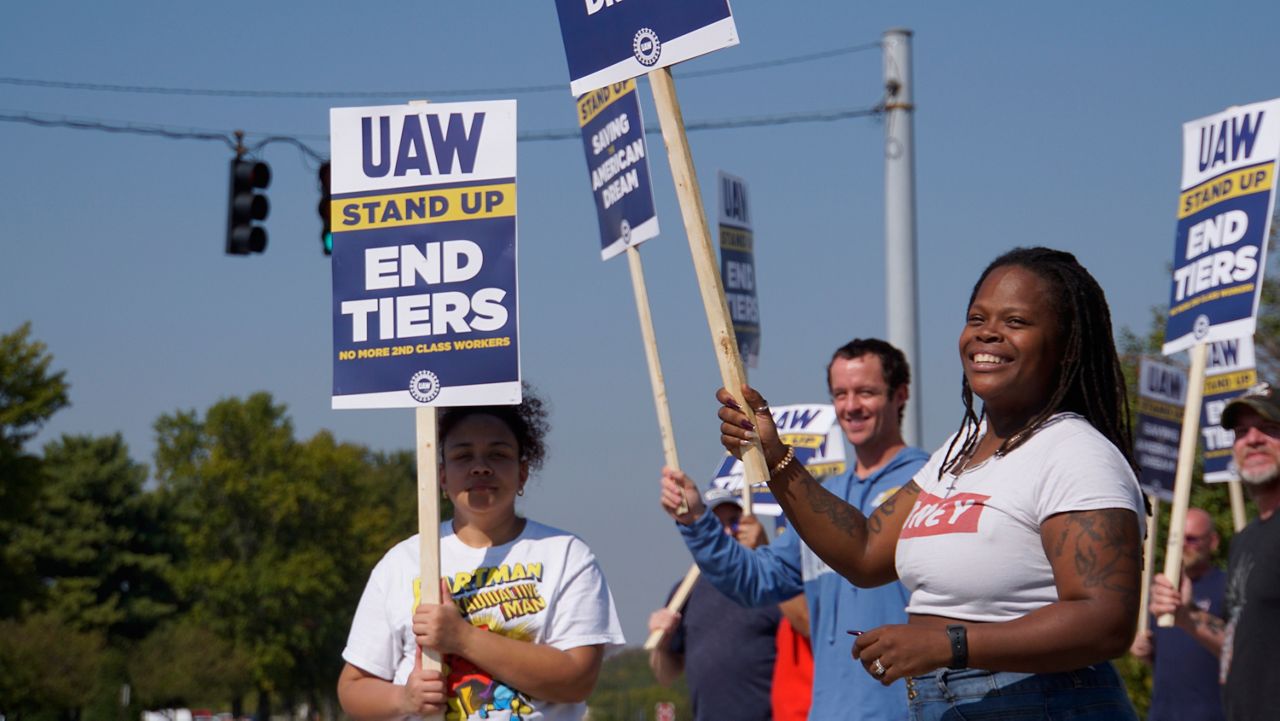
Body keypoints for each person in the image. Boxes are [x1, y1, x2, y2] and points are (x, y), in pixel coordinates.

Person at [713, 247, 1146, 720]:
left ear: (1065, 344)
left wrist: (950, 645)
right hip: (943, 702)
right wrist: (775, 457)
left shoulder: (1074, 454)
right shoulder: (956, 455)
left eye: (1016, 321)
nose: (987, 332)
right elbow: (863, 551)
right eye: (976, 317)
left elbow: (1105, 621)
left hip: (1043, 702)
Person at [659, 338, 929, 721]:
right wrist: (697, 521)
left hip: (906, 710)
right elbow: (755, 581)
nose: (851, 406)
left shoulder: (928, 482)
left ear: (900, 394)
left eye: (866, 392)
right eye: (841, 394)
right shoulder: (823, 498)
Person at [338, 391, 626, 721]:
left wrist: (462, 638)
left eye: (498, 454)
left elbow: (578, 679)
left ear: (522, 473)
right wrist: (404, 698)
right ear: (441, 476)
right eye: (463, 456)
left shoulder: (566, 555)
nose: (480, 467)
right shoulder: (402, 562)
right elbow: (353, 688)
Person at [647, 488, 780, 721]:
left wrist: (764, 550)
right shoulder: (685, 591)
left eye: (734, 521)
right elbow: (666, 675)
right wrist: (663, 644)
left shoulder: (773, 583)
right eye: (717, 524)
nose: (728, 532)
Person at [1216, 381, 1280, 721]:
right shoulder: (1243, 540)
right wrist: (1184, 617)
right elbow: (1236, 644)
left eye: (1269, 428)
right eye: (1241, 431)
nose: (1252, 439)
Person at [1131, 507, 1226, 721]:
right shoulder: (1160, 590)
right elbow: (1163, 654)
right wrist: (1143, 650)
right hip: (1163, 714)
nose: (1184, 546)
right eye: (1178, 538)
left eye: (1192, 539)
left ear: (1213, 541)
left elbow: (1238, 649)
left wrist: (1189, 613)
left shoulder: (1227, 587)